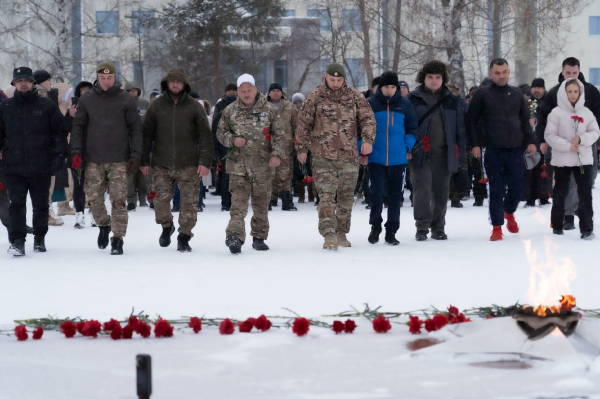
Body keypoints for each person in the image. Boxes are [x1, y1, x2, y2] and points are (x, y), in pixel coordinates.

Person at [296, 62, 376, 250]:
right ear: (325, 77)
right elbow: (303, 124)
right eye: (332, 79)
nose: (335, 83)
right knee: (326, 196)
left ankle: (341, 232)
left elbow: (368, 119)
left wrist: (368, 140)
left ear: (344, 79)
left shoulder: (355, 96)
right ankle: (329, 234)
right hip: (322, 155)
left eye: (339, 80)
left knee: (347, 196)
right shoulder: (314, 97)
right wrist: (301, 149)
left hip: (348, 156)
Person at [70, 61, 143, 255]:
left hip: (119, 159)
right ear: (97, 77)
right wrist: (76, 151)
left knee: (119, 200)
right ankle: (103, 224)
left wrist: (136, 155)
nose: (106, 81)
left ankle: (117, 238)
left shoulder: (125, 99)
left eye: (109, 78)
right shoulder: (87, 99)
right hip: (93, 157)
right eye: (102, 78)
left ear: (114, 77)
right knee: (94, 198)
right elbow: (78, 127)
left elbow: (136, 128)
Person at [141, 67, 213, 252]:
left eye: (178, 82)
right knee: (160, 203)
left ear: (184, 84)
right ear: (166, 84)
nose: (174, 84)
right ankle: (167, 226)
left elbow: (205, 136)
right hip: (161, 163)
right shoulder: (156, 106)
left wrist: (205, 162)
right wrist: (143, 161)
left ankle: (184, 236)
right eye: (171, 81)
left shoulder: (194, 107)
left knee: (189, 204)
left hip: (189, 164)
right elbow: (146, 135)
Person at [0, 67, 69, 256]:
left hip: (41, 164)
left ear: (32, 83)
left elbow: (60, 132)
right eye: (19, 81)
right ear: (14, 83)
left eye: (27, 81)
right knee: (16, 205)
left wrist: (59, 155)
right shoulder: (5, 107)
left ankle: (39, 238)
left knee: (40, 205)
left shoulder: (46, 106)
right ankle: (18, 241)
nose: (23, 84)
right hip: (13, 166)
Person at [466, 58, 536, 241]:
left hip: (514, 148)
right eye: (497, 73)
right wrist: (475, 144)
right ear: (490, 74)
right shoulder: (482, 94)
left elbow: (524, 120)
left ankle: (509, 211)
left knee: (518, 186)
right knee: (495, 189)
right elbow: (470, 120)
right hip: (491, 149)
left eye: (504, 72)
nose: (501, 76)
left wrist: (531, 141)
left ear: (509, 72)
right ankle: (497, 226)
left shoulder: (516, 93)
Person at [216, 73, 284, 254]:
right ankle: (235, 236)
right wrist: (232, 140)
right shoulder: (230, 111)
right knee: (238, 203)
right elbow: (220, 133)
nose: (246, 94)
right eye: (242, 91)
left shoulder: (269, 110)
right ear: (238, 91)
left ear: (255, 89)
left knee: (261, 203)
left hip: (263, 165)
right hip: (238, 166)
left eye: (249, 90)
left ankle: (259, 237)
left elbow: (279, 135)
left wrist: (276, 154)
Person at [537, 57, 600, 229]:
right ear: (562, 72)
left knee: (589, 177)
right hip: (562, 145)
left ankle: (578, 207)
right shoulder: (554, 93)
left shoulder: (590, 91)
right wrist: (542, 140)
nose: (571, 76)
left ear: (579, 72)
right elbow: (542, 117)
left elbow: (598, 116)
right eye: (568, 73)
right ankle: (568, 215)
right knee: (568, 181)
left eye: (574, 73)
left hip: (586, 144)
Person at [407, 60, 466, 241]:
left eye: (438, 77)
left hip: (444, 152)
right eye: (430, 77)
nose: (434, 80)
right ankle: (422, 227)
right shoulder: (412, 99)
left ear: (443, 79)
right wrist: (407, 147)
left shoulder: (452, 100)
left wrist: (461, 154)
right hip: (420, 153)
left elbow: (460, 130)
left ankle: (438, 227)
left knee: (441, 191)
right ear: (423, 78)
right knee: (422, 189)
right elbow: (406, 126)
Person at [366, 71, 418, 245]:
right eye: (386, 86)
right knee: (376, 194)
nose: (389, 90)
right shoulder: (370, 104)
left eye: (393, 87)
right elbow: (361, 130)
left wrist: (406, 146)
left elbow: (412, 129)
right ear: (380, 87)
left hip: (398, 159)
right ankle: (375, 226)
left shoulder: (405, 104)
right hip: (375, 157)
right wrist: (363, 150)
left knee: (396, 197)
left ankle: (391, 230)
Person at [65, 81, 93, 228]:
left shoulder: (98, 107)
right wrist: (70, 116)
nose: (85, 93)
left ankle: (95, 213)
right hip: (77, 151)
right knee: (78, 185)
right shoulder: (73, 107)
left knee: (96, 185)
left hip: (95, 151)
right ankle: (79, 215)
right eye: (82, 91)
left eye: (87, 90)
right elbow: (64, 128)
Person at [267, 83, 298, 211]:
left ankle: (286, 200)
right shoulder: (263, 107)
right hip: (267, 146)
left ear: (281, 92)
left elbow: (296, 126)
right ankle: (268, 200)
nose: (275, 93)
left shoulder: (289, 107)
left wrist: (297, 143)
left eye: (278, 91)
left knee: (285, 174)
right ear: (269, 93)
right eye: (273, 91)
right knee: (268, 174)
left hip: (286, 146)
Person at [523, 78, 552, 207]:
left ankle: (544, 196)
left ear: (543, 89)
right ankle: (530, 197)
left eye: (539, 87)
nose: (536, 90)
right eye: (534, 87)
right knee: (529, 171)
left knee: (543, 171)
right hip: (529, 142)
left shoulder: (549, 102)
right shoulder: (526, 103)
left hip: (544, 141)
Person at [212, 95, 237, 211]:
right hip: (224, 151)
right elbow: (215, 136)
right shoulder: (220, 117)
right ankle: (226, 203)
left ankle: (236, 202)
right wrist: (217, 154)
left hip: (237, 151)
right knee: (226, 178)